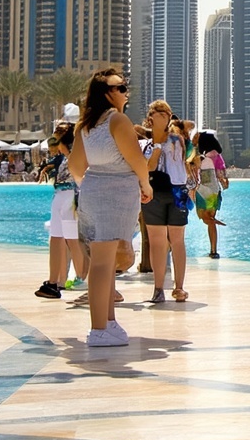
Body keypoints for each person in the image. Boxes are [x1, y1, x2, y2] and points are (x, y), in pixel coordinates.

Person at [67, 68, 152, 347]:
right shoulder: (118, 120)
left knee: (104, 261)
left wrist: (92, 186)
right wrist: (145, 185)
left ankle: (109, 321)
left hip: (93, 190)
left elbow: (76, 167)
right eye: (121, 87)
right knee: (104, 263)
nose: (126, 91)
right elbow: (136, 159)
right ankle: (98, 328)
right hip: (116, 191)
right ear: (106, 93)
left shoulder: (86, 124)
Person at [141, 101, 193, 304]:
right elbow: (149, 168)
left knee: (177, 239)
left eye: (167, 114)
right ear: (151, 116)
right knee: (156, 240)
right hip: (153, 193)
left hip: (177, 191)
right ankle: (158, 288)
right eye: (160, 113)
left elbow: (188, 130)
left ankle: (179, 287)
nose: (165, 116)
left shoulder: (177, 141)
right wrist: (156, 146)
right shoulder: (144, 144)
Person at [35, 122, 87, 300]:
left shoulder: (75, 156)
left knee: (72, 241)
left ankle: (84, 279)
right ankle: (53, 282)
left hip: (71, 196)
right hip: (60, 195)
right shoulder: (63, 157)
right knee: (56, 239)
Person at [192, 131, 228, 259]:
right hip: (215, 192)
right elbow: (221, 175)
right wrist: (225, 181)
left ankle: (214, 221)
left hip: (203, 191)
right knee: (210, 221)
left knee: (204, 218)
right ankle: (213, 251)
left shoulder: (199, 157)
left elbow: (194, 173)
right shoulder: (218, 157)